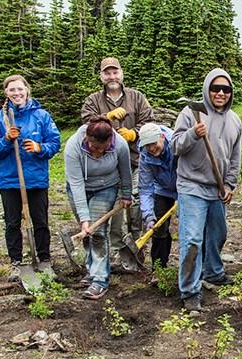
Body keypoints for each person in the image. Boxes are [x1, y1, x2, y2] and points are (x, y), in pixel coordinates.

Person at [171, 68, 242, 311]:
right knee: (192, 239)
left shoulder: (235, 120)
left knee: (218, 234)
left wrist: (230, 184)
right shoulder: (191, 114)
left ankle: (212, 271)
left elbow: (234, 157)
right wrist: (192, 134)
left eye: (226, 89)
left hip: (218, 188)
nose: (221, 93)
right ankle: (190, 291)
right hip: (191, 185)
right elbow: (174, 147)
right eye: (215, 88)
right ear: (207, 89)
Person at [0, 75, 61, 278]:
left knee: (41, 221)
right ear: (6, 93)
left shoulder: (41, 116)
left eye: (20, 89)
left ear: (27, 90)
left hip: (35, 179)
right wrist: (7, 139)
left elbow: (54, 143)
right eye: (12, 90)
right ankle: (16, 262)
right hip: (10, 180)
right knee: (12, 223)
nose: (17, 93)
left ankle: (44, 260)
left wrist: (39, 147)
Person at [81, 57, 154, 268]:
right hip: (107, 163)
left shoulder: (137, 97)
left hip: (136, 160)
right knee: (115, 206)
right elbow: (86, 124)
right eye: (107, 73)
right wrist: (107, 118)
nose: (112, 77)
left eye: (115, 72)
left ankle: (138, 248)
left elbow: (149, 121)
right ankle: (116, 250)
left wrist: (134, 133)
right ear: (101, 76)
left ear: (121, 73)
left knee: (136, 204)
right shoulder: (93, 100)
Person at [63, 116, 133, 300]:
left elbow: (126, 171)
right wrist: (84, 219)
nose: (97, 153)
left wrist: (126, 194)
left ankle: (100, 280)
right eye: (94, 148)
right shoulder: (73, 146)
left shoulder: (120, 145)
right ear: (87, 138)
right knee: (87, 231)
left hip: (106, 187)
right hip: (79, 189)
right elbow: (76, 184)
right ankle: (92, 271)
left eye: (102, 150)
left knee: (98, 231)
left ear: (110, 141)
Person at [137, 123, 177, 269]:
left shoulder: (177, 144)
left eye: (153, 144)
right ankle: (159, 269)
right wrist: (148, 215)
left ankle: (193, 269)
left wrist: (185, 196)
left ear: (162, 137)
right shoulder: (145, 155)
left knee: (189, 228)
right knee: (159, 228)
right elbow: (145, 187)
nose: (152, 149)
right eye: (148, 145)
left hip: (185, 187)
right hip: (162, 189)